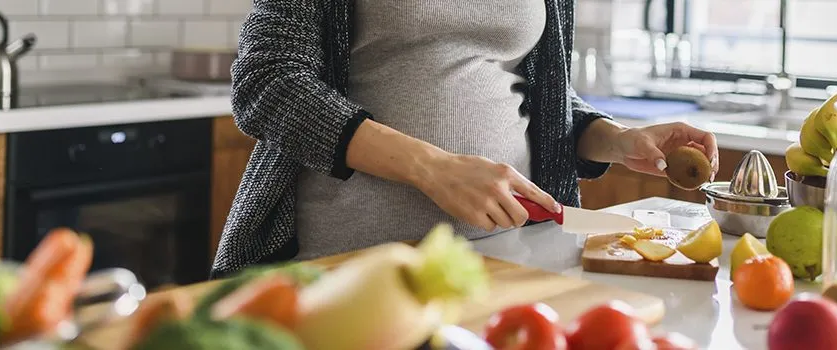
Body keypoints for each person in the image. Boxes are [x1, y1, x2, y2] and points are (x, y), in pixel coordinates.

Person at [212, 0, 719, 277]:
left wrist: (614, 138)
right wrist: (433, 168)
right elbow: (267, 81)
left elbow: (537, 92)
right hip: (347, 259)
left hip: (506, 257)